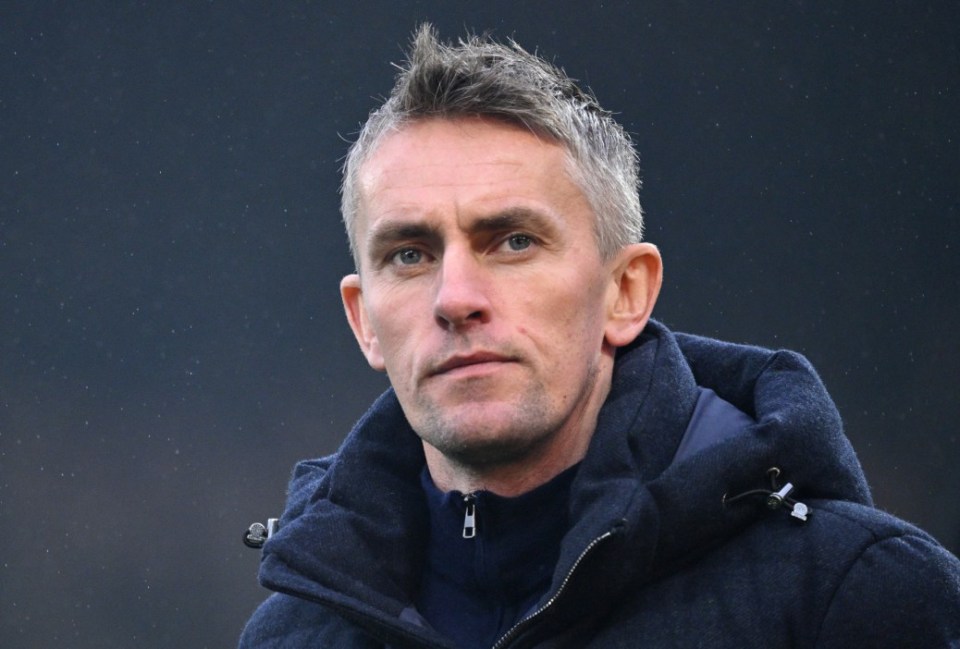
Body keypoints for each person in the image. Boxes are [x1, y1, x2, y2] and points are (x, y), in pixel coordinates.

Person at [239, 25, 960, 648]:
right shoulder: (292, 633)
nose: (455, 298)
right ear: (364, 320)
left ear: (626, 292)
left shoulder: (852, 596)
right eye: (410, 255)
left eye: (513, 241)